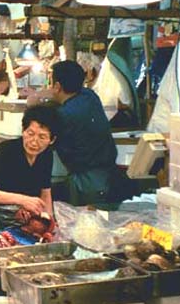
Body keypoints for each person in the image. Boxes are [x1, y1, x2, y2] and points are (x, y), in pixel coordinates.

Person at [45, 60, 125, 205]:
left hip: (86, 182)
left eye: (50, 83)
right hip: (109, 174)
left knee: (86, 222)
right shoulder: (90, 96)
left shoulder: (64, 116)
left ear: (57, 86)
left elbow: (49, 142)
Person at [0, 106, 58, 230]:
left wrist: (49, 223)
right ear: (23, 131)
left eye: (42, 137)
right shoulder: (6, 150)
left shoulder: (46, 155)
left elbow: (45, 193)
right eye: (30, 134)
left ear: (52, 140)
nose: (34, 142)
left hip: (23, 222)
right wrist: (22, 200)